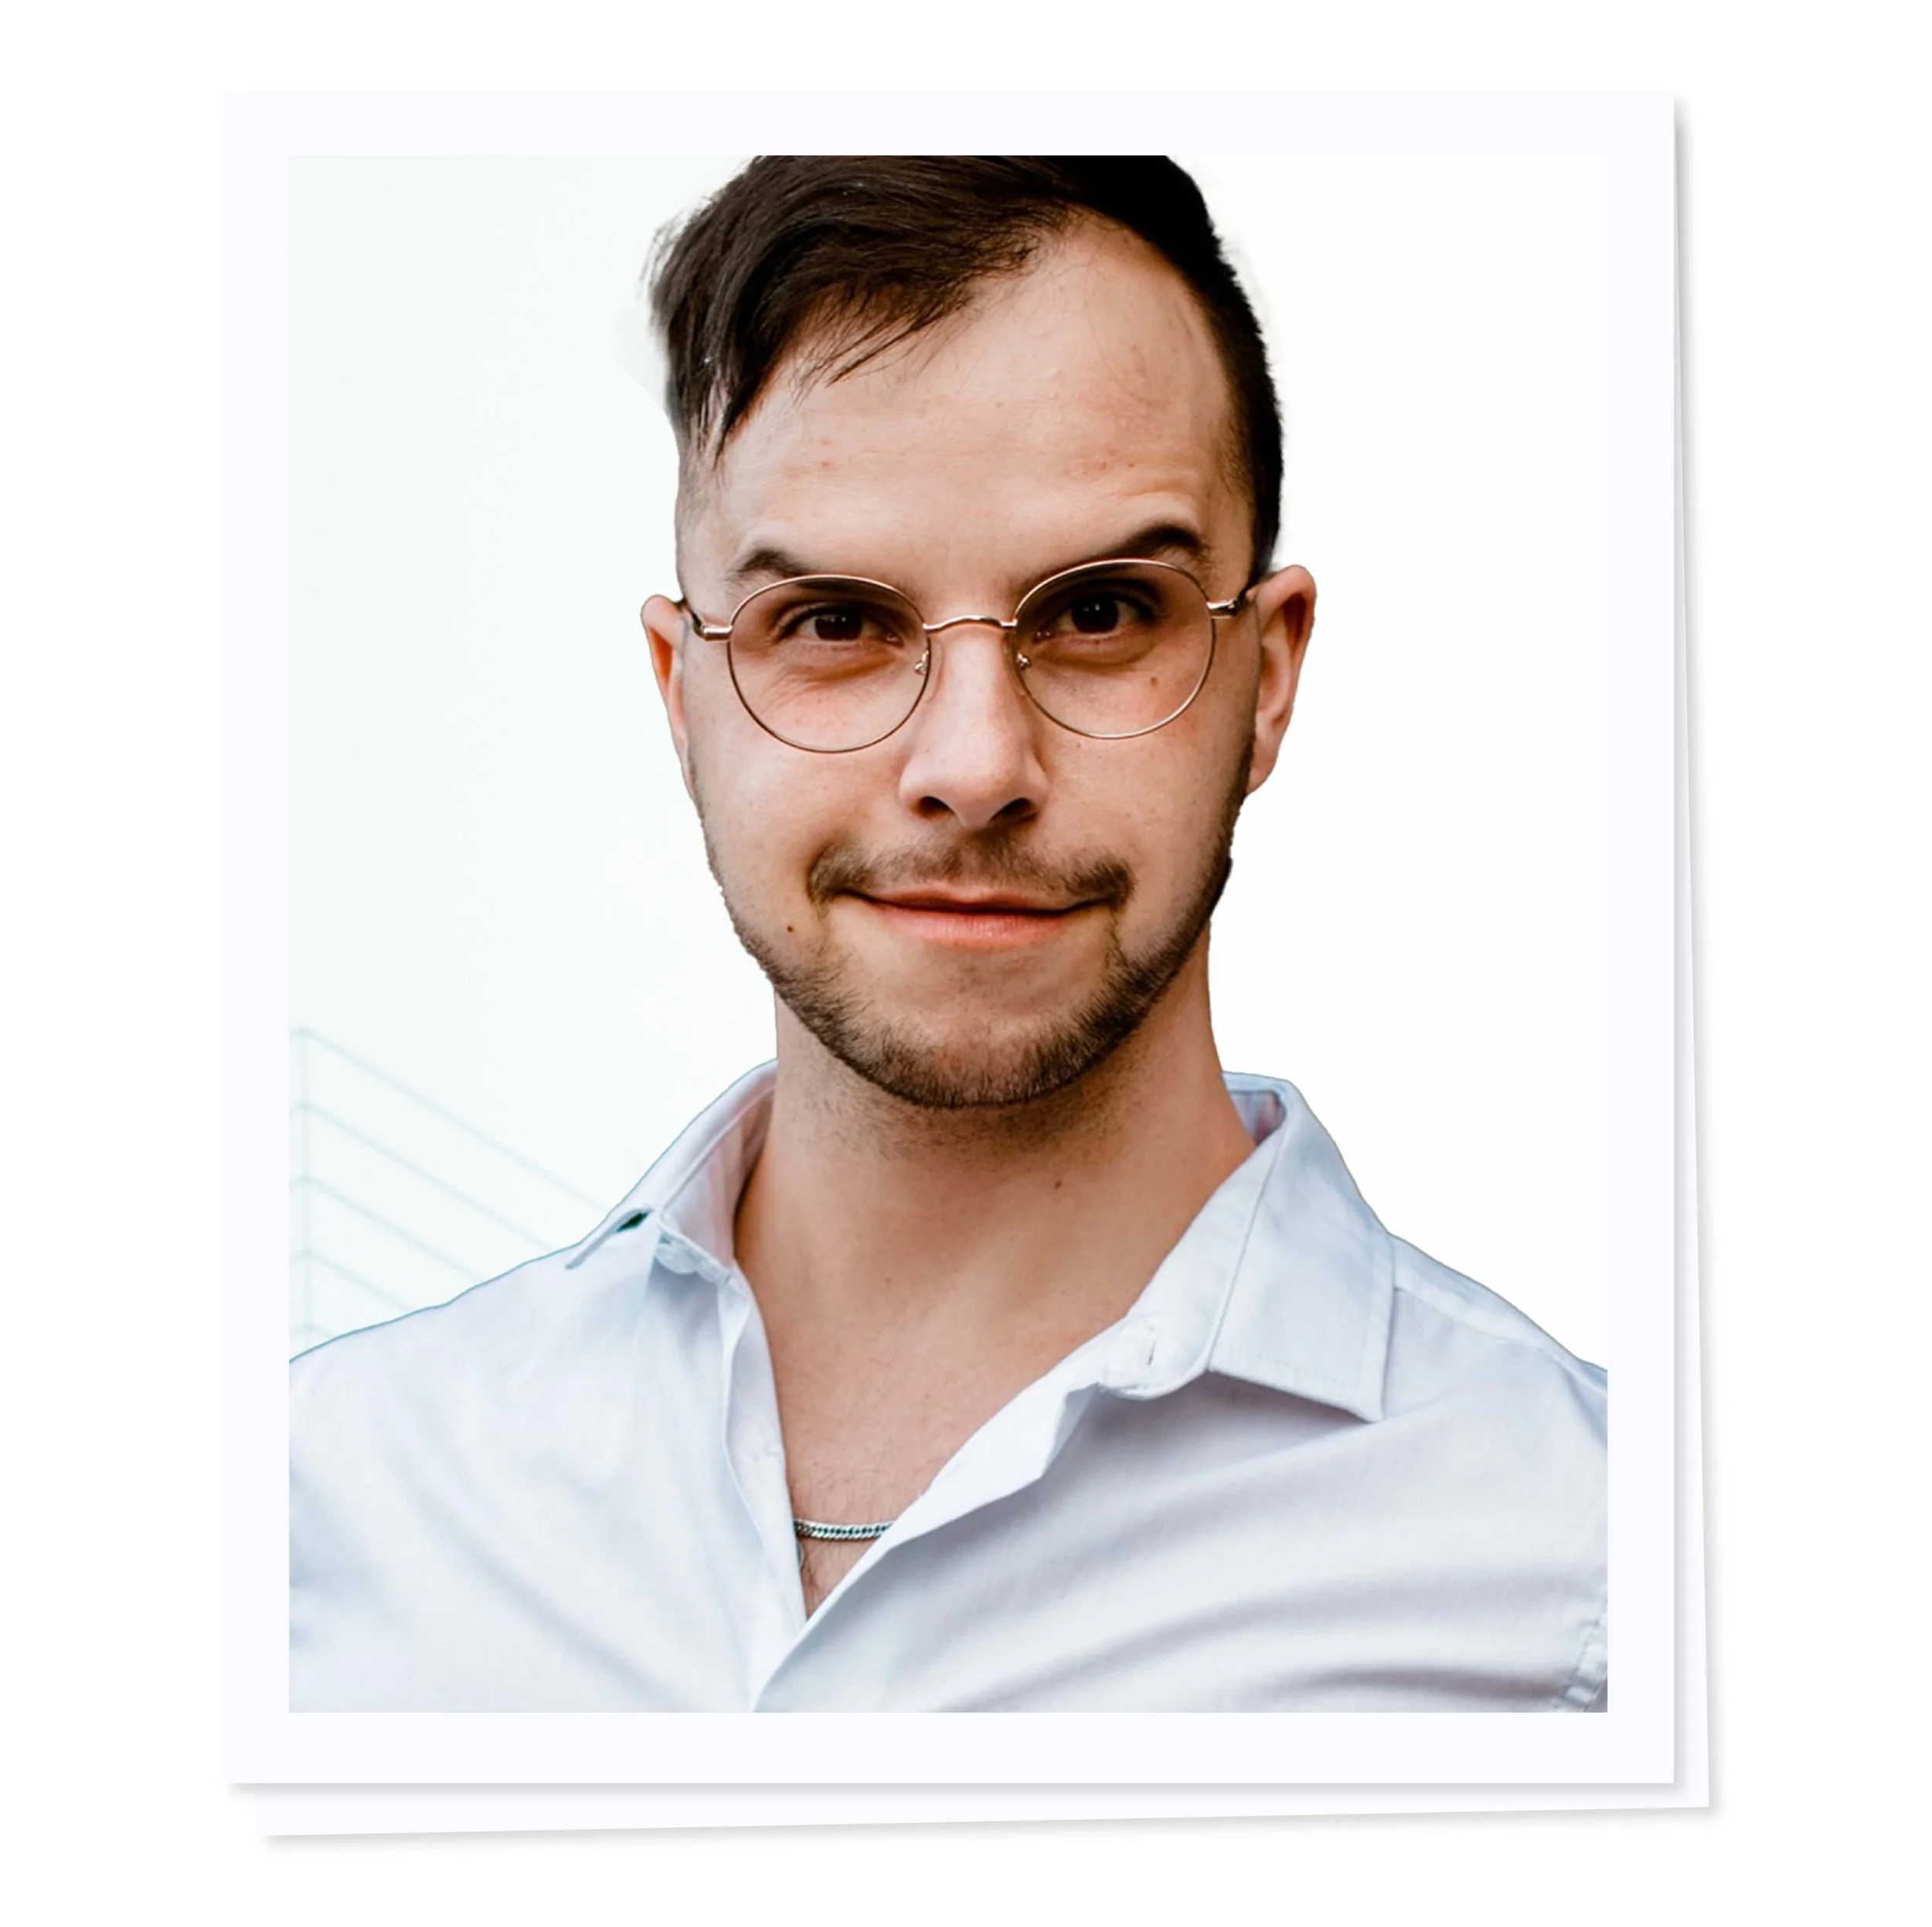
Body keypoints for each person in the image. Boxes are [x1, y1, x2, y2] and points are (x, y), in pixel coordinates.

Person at [290, 156, 1607, 1712]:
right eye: (837, 622)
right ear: (681, 694)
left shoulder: (1600, 1569)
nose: (973, 765)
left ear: (1265, 677)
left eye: (1101, 610)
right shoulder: (312, 1507)